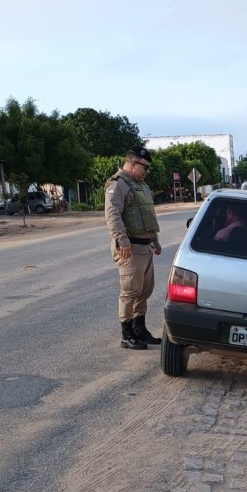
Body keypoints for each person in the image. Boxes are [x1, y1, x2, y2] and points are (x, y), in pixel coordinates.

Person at [104, 146, 162, 350]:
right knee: (130, 291)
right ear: (132, 163)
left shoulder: (141, 185)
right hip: (130, 247)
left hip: (145, 247)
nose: (147, 171)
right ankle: (126, 334)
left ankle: (140, 330)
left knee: (144, 290)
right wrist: (122, 240)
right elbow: (113, 215)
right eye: (144, 167)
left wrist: (154, 240)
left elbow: (145, 215)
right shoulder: (118, 184)